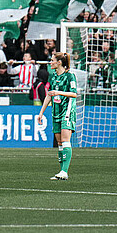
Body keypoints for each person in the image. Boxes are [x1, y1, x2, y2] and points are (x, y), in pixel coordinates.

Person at [36, 52, 77, 180]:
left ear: (59, 62)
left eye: (52, 60)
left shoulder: (70, 76)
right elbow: (49, 95)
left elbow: (74, 94)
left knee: (65, 140)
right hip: (56, 111)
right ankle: (61, 171)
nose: (50, 62)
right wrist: (41, 112)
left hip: (67, 111)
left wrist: (58, 92)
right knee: (59, 142)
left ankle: (64, 171)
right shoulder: (53, 76)